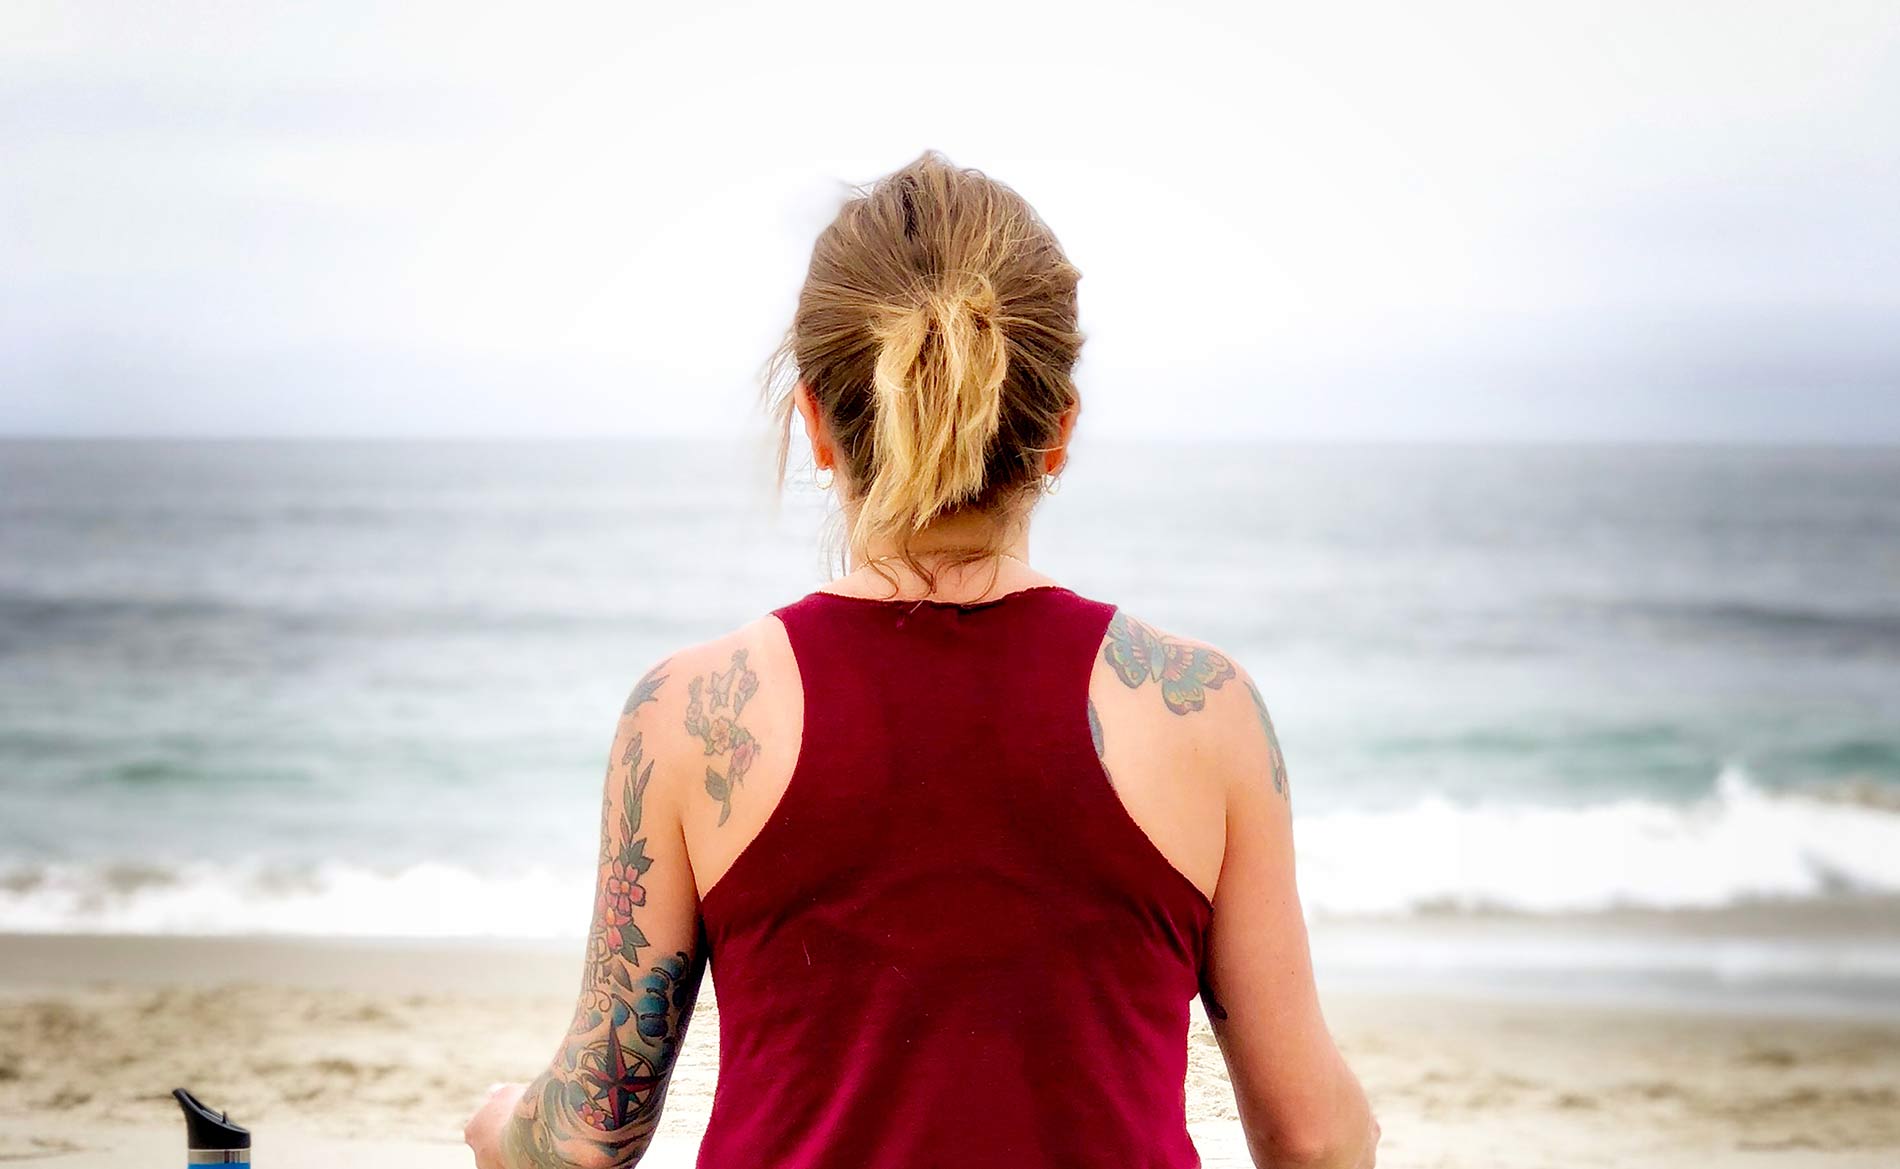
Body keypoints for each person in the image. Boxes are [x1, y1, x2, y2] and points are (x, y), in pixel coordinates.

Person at [463, 150, 1378, 1169]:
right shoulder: (1206, 710)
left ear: (815, 420)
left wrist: (503, 1123)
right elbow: (1313, 1136)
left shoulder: (686, 714)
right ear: (1058, 431)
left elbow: (586, 1136)